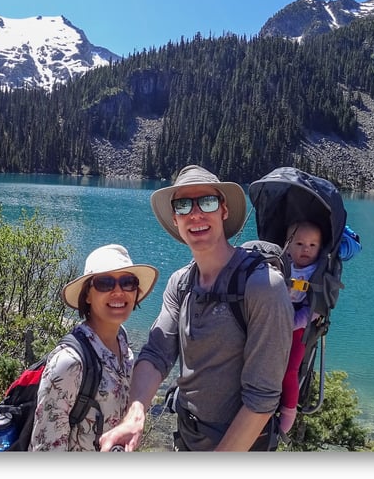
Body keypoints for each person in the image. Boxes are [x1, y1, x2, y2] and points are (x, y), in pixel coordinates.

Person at [99, 164, 294, 451]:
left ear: (224, 211)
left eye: (207, 201)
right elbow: (156, 354)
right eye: (183, 205)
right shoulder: (180, 283)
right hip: (187, 438)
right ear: (176, 220)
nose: (196, 213)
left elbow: (261, 399)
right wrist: (135, 413)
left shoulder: (263, 286)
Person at [29, 244, 159, 451]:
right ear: (87, 295)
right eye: (105, 283)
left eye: (128, 282)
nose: (118, 291)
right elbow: (45, 448)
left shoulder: (122, 339)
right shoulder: (69, 363)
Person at [279, 220, 323, 434]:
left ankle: (288, 413)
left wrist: (293, 322)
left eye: (313, 245)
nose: (306, 249)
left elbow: (316, 309)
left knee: (290, 371)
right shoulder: (279, 263)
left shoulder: (318, 272)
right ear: (288, 246)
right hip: (273, 319)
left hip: (299, 326)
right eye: (300, 244)